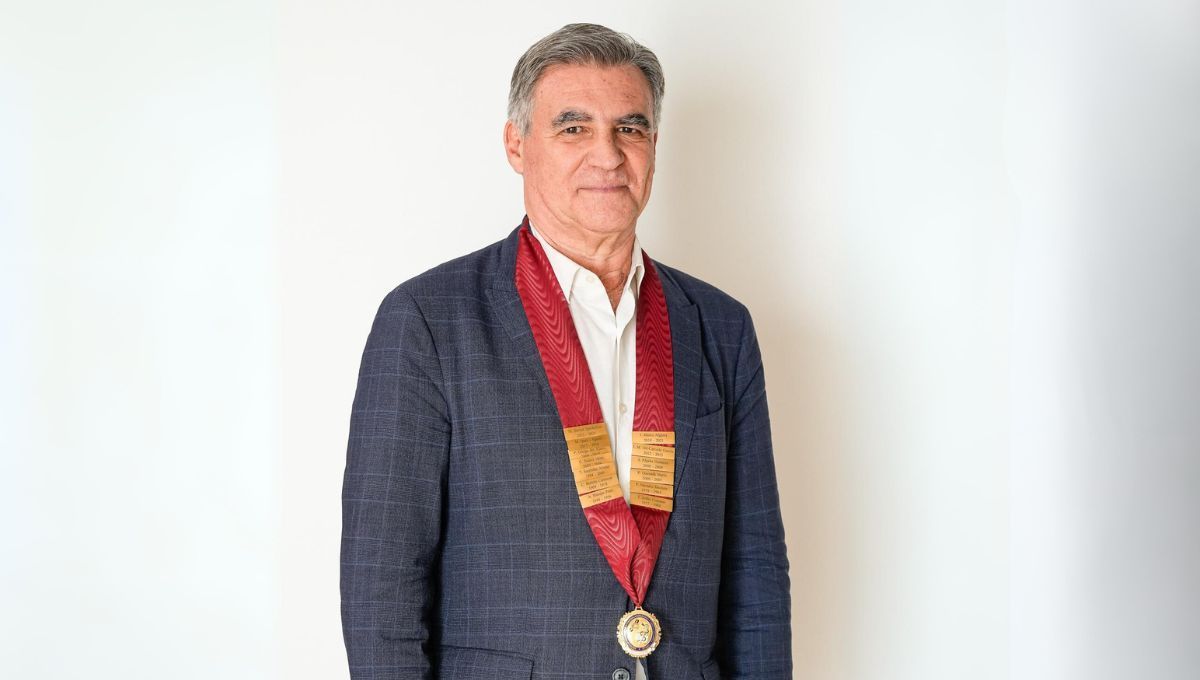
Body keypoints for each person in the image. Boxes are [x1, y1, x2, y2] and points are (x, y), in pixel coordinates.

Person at [340, 23, 791, 680]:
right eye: (574, 128)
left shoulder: (722, 328)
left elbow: (756, 579)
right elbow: (381, 590)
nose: (607, 154)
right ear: (516, 145)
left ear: (654, 147)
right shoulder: (428, 321)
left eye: (629, 128)